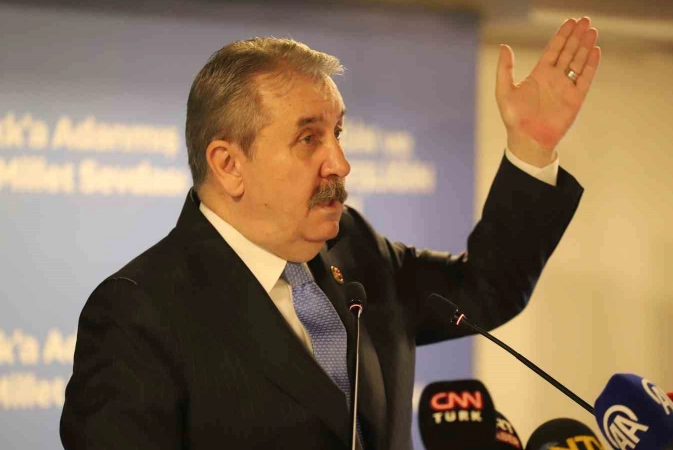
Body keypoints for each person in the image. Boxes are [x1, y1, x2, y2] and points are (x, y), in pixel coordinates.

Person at [60, 17, 600, 450]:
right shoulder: (139, 313)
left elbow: (486, 289)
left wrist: (532, 146)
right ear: (228, 165)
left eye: (337, 132)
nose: (340, 163)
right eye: (309, 139)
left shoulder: (355, 247)